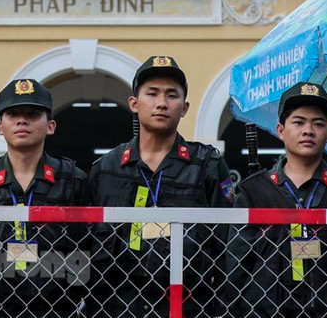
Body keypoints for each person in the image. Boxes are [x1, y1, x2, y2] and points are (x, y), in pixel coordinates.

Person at [87, 56, 233, 318]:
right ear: (134, 103)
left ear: (185, 107)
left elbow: (225, 245)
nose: (161, 103)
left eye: (171, 95)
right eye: (152, 94)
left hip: (188, 305)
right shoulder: (106, 168)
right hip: (118, 307)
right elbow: (88, 243)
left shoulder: (207, 165)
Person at [228, 82, 327, 318]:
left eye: (318, 124)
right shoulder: (254, 191)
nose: (308, 130)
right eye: (298, 122)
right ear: (280, 130)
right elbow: (236, 266)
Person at [0, 78, 88, 318]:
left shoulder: (72, 180)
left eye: (32, 113)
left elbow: (89, 247)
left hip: (56, 311)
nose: (22, 120)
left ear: (50, 125)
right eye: (13, 114)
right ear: (0, 126)